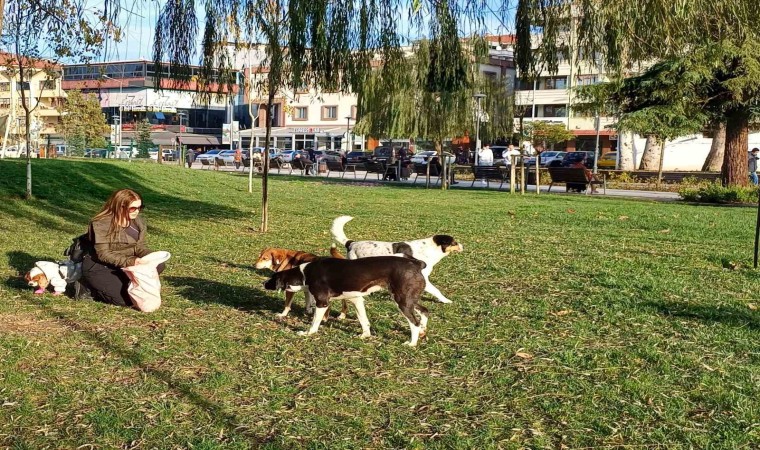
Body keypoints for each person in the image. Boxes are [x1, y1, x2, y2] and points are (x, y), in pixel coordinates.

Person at [77, 189, 165, 307]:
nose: (137, 211)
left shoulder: (139, 222)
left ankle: (126, 281)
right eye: (133, 208)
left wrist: (150, 256)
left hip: (124, 263)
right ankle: (86, 286)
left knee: (158, 265)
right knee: (125, 301)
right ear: (120, 206)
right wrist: (132, 261)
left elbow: (139, 247)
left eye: (140, 207)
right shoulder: (101, 223)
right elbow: (103, 254)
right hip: (99, 265)